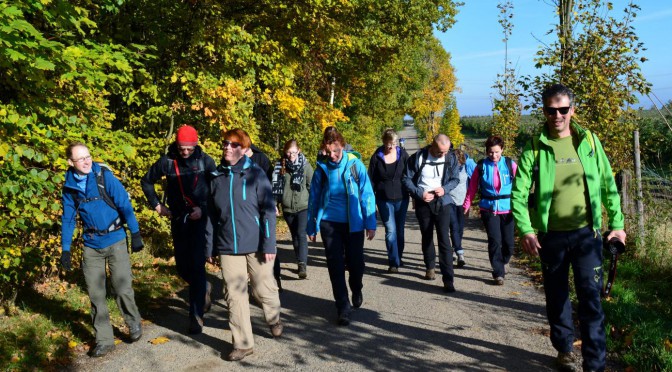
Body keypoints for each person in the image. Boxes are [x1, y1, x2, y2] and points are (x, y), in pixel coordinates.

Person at [511, 84, 626, 372]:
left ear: (572, 110)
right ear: (545, 111)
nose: (558, 115)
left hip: (588, 235)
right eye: (552, 110)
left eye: (563, 109)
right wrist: (526, 229)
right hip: (551, 238)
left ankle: (595, 364)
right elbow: (519, 192)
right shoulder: (535, 147)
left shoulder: (589, 142)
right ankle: (563, 347)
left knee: (591, 299)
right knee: (557, 297)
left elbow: (608, 184)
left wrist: (617, 225)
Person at [60, 142, 144, 357]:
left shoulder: (104, 177)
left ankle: (133, 323)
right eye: (81, 159)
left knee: (121, 287)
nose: (87, 161)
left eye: (88, 156)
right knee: (96, 295)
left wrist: (135, 233)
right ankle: (104, 340)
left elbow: (125, 205)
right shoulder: (70, 187)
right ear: (71, 162)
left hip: (116, 239)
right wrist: (66, 249)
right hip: (91, 245)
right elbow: (68, 219)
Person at [209, 129, 282, 362]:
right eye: (225, 144)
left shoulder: (256, 174)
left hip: (256, 243)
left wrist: (269, 244)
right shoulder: (216, 177)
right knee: (234, 293)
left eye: (233, 144)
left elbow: (269, 210)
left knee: (262, 289)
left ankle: (273, 317)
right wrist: (210, 247)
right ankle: (242, 343)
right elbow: (211, 216)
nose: (227, 148)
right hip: (227, 245)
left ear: (243, 148)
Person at [140, 125, 217, 334]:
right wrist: (157, 205)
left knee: (197, 266)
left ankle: (196, 317)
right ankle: (203, 289)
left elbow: (217, 191)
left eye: (189, 149)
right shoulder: (167, 162)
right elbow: (146, 181)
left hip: (200, 220)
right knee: (183, 267)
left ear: (195, 145)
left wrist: (203, 210)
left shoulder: (206, 161)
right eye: (182, 148)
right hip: (178, 218)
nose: (185, 152)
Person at [307, 127, 376, 326]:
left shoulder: (355, 165)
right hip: (329, 223)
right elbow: (314, 198)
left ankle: (357, 286)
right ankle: (343, 306)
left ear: (342, 146)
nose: (333, 156)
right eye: (328, 152)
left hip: (354, 223)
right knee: (335, 265)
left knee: (356, 264)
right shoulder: (322, 168)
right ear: (324, 150)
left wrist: (370, 223)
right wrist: (312, 225)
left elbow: (367, 194)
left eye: (336, 151)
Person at [401, 134, 460, 293]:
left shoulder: (451, 158)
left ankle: (448, 279)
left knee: (444, 239)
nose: (443, 154)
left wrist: (444, 189)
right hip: (423, 202)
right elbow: (406, 179)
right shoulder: (417, 158)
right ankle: (430, 267)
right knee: (426, 236)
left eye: (446, 151)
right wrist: (419, 193)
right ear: (432, 146)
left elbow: (455, 179)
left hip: (443, 202)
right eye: (440, 151)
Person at [463, 136, 517, 285]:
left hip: (508, 209)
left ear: (502, 150)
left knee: (509, 244)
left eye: (497, 152)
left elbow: (520, 186)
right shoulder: (481, 166)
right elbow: (472, 187)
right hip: (488, 208)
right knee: (494, 241)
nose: (494, 155)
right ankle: (498, 272)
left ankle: (503, 260)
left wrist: (522, 205)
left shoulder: (510, 164)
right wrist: (466, 205)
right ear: (486, 152)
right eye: (491, 152)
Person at [368, 128, 410, 273]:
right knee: (390, 230)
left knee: (399, 230)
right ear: (384, 142)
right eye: (387, 144)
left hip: (402, 198)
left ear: (396, 142)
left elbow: (410, 175)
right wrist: (370, 199)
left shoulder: (403, 155)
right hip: (383, 199)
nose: (390, 147)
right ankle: (393, 262)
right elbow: (371, 180)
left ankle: (399, 256)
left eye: (392, 143)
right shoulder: (376, 156)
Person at [273, 139, 314, 278]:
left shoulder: (306, 166)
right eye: (289, 152)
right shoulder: (280, 166)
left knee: (301, 234)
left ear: (299, 151)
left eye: (294, 152)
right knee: (295, 236)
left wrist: (314, 205)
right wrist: (275, 203)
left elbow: (311, 186)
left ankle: (302, 265)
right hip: (287, 207)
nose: (291, 155)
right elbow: (275, 187)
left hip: (303, 205)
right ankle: (299, 259)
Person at [448, 148, 468, 267]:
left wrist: (469, 201)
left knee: (460, 228)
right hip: (450, 200)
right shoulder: (447, 169)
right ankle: (460, 253)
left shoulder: (466, 167)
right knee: (454, 226)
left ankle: (454, 249)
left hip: (462, 201)